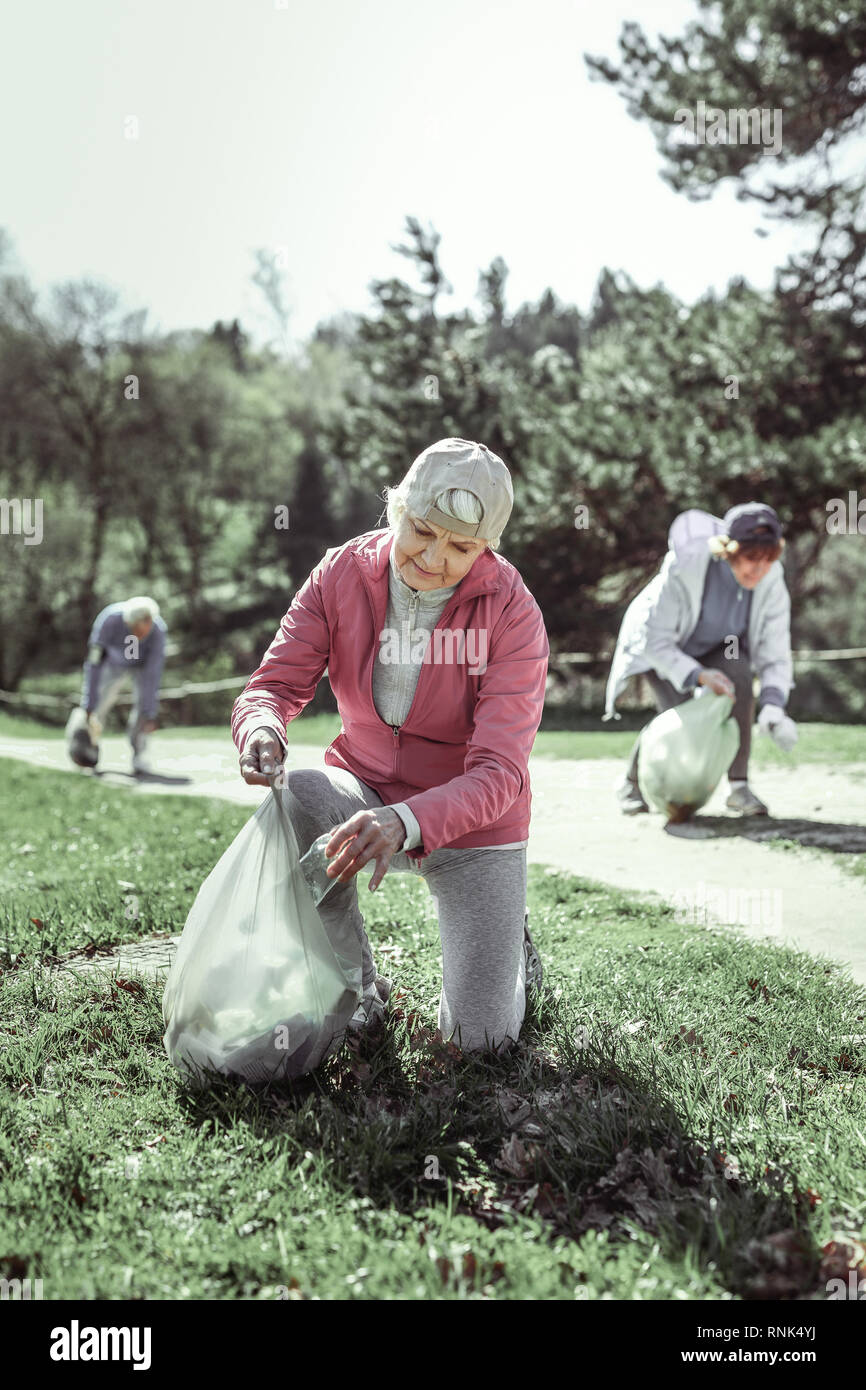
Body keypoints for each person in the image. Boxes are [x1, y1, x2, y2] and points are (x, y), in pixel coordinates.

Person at [231, 438, 550, 1055]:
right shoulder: (341, 573)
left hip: (472, 827)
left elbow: (501, 772)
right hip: (364, 788)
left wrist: (406, 821)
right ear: (395, 508)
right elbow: (272, 686)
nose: (433, 558)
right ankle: (359, 992)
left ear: (487, 548)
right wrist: (262, 727)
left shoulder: (513, 612)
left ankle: (513, 958)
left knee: (479, 1043)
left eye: (461, 547)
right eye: (422, 531)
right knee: (299, 795)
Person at [604, 503, 797, 817]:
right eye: (751, 559)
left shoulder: (771, 579)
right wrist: (697, 675)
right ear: (728, 550)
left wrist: (774, 704)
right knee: (678, 714)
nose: (759, 570)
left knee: (740, 677)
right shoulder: (684, 567)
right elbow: (656, 641)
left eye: (767, 560)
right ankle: (631, 783)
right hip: (663, 646)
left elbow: (775, 647)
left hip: (720, 646)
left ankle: (738, 788)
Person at [67, 595, 167, 775]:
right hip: (113, 664)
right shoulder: (109, 619)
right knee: (97, 704)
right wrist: (89, 703)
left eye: (139, 630)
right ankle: (86, 747)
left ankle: (140, 755)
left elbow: (153, 674)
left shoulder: (158, 631)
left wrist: (150, 712)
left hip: (142, 666)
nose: (135, 634)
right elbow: (94, 662)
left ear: (149, 622)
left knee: (144, 706)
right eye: (131, 628)